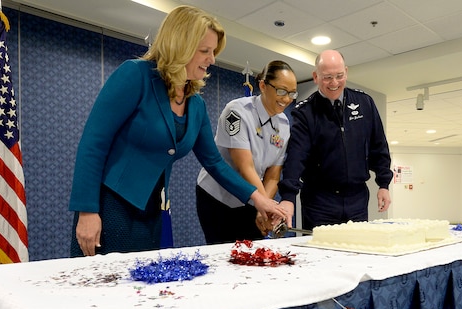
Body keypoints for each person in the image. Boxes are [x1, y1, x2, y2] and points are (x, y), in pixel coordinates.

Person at [69, 5, 287, 257]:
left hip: (151, 211)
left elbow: (215, 162)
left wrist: (259, 200)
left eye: (213, 52)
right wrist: (87, 211)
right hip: (111, 207)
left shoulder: (195, 103)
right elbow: (93, 144)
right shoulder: (135, 75)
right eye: (205, 51)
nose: (212, 59)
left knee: (141, 291)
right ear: (180, 46)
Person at [278, 49, 393, 231]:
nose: (334, 83)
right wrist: (288, 197)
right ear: (315, 77)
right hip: (319, 201)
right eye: (327, 77)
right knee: (320, 255)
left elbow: (378, 147)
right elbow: (296, 157)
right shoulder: (305, 112)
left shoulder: (365, 103)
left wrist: (384, 184)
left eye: (339, 75)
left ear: (346, 72)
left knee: (356, 252)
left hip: (357, 198)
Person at [196, 60, 297, 244]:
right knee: (224, 256)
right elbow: (245, 166)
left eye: (291, 93)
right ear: (263, 85)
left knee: (254, 255)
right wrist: (263, 204)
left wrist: (262, 208)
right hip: (218, 197)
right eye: (282, 91)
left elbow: (273, 175)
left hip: (253, 198)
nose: (287, 99)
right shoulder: (236, 111)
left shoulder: (283, 124)